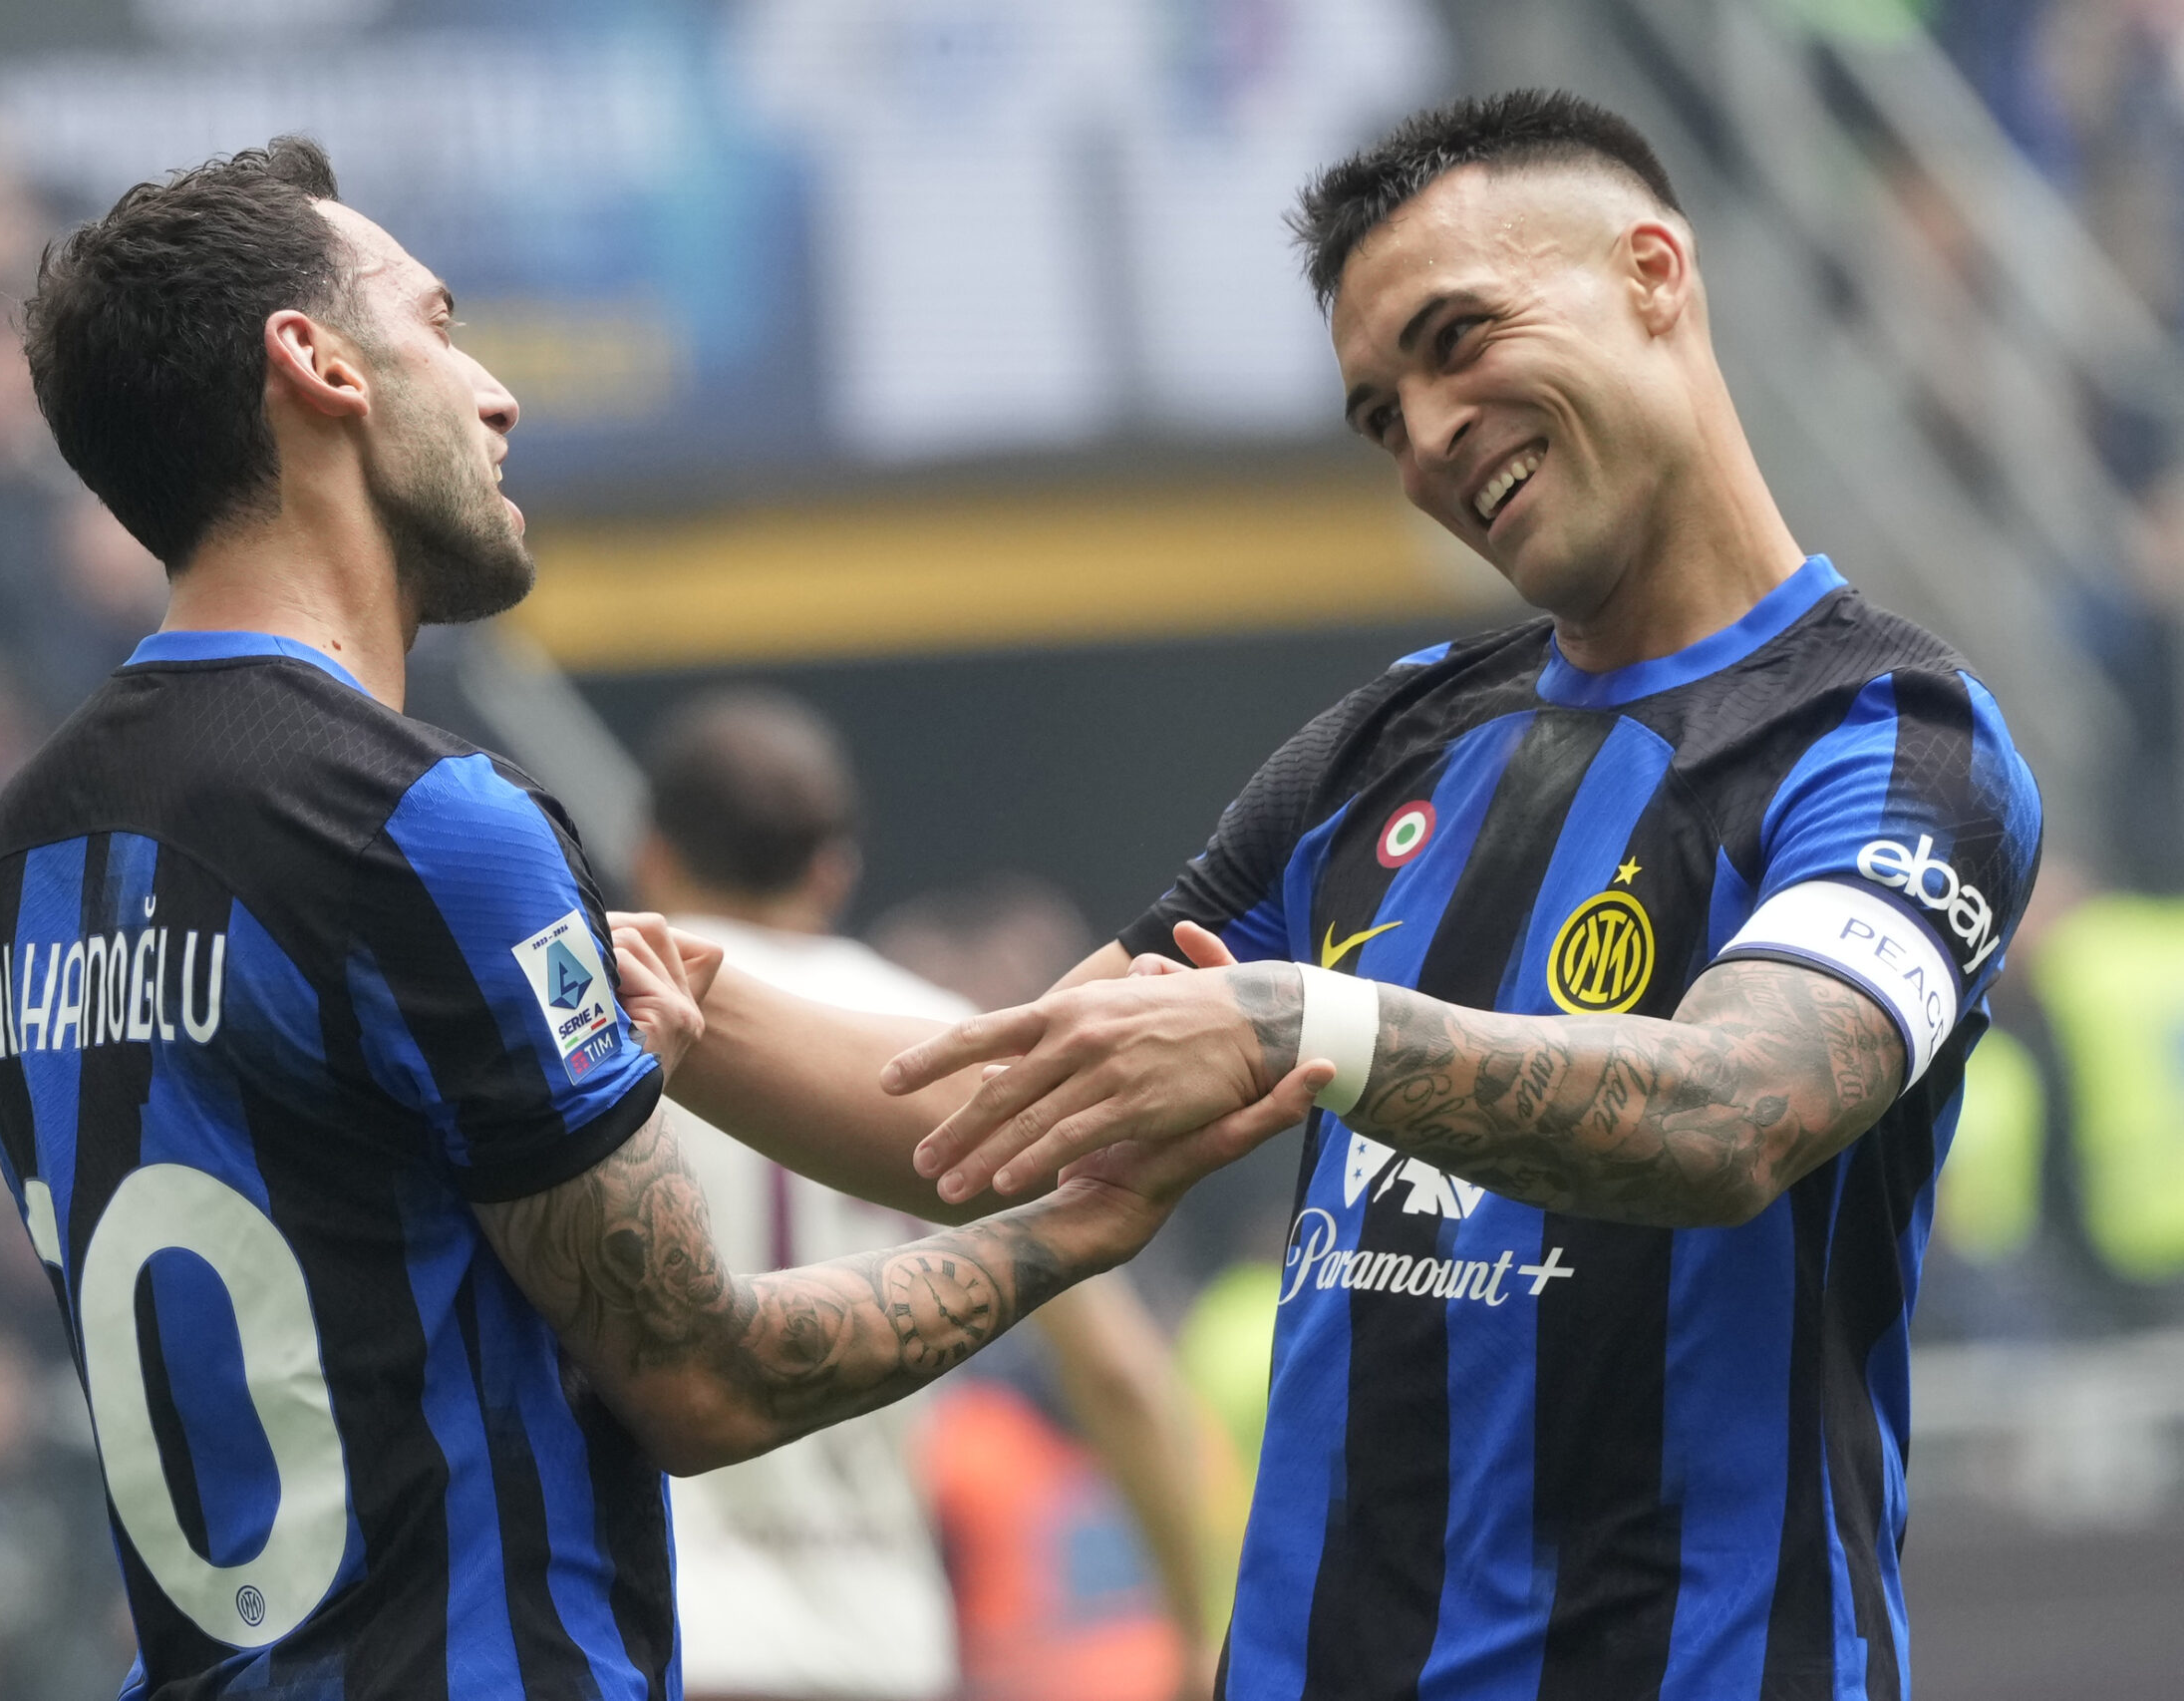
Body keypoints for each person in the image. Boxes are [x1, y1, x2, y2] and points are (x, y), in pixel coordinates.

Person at [664, 92, 2043, 1699]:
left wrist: (1302, 1023)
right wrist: (639, 1000)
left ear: (1654, 274)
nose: (1433, 434)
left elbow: (1740, 1108)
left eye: (1460, 339)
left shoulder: (1888, 734)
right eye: (1381, 413)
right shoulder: (1389, 743)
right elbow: (982, 1118)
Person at [0, 138, 1318, 1698]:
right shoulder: (417, 820)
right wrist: (1069, 1234)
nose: (494, 393)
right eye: (441, 323)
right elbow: (705, 1382)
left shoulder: (21, 858)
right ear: (316, 362)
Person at [634, 687, 1214, 1701]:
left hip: (656, 1626)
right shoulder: (937, 1033)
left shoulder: (603, 1024)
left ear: (653, 859)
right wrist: (1199, 1619)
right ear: (833, 868)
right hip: (878, 1639)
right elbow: (1117, 1369)